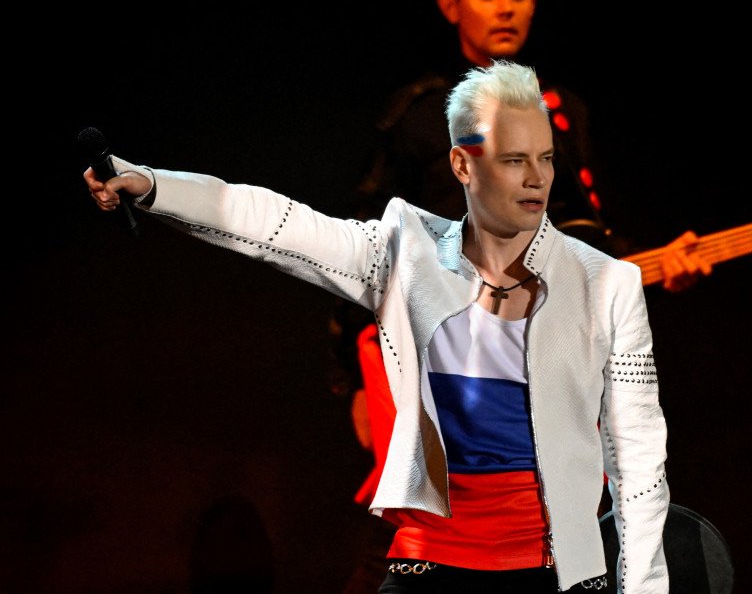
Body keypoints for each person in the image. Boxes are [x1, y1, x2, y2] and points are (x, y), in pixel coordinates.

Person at [85, 60, 671, 592]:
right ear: (462, 164)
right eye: (513, 158)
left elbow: (639, 461)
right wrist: (154, 185)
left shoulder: (604, 284)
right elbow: (271, 223)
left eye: (543, 157)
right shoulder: (403, 256)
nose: (536, 177)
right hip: (433, 564)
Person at [329, 0, 709, 592]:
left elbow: (586, 233)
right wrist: (354, 377)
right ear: (452, 6)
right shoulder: (420, 116)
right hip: (437, 374)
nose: (505, 6)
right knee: (408, 545)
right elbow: (365, 244)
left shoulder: (557, 111)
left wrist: (650, 271)